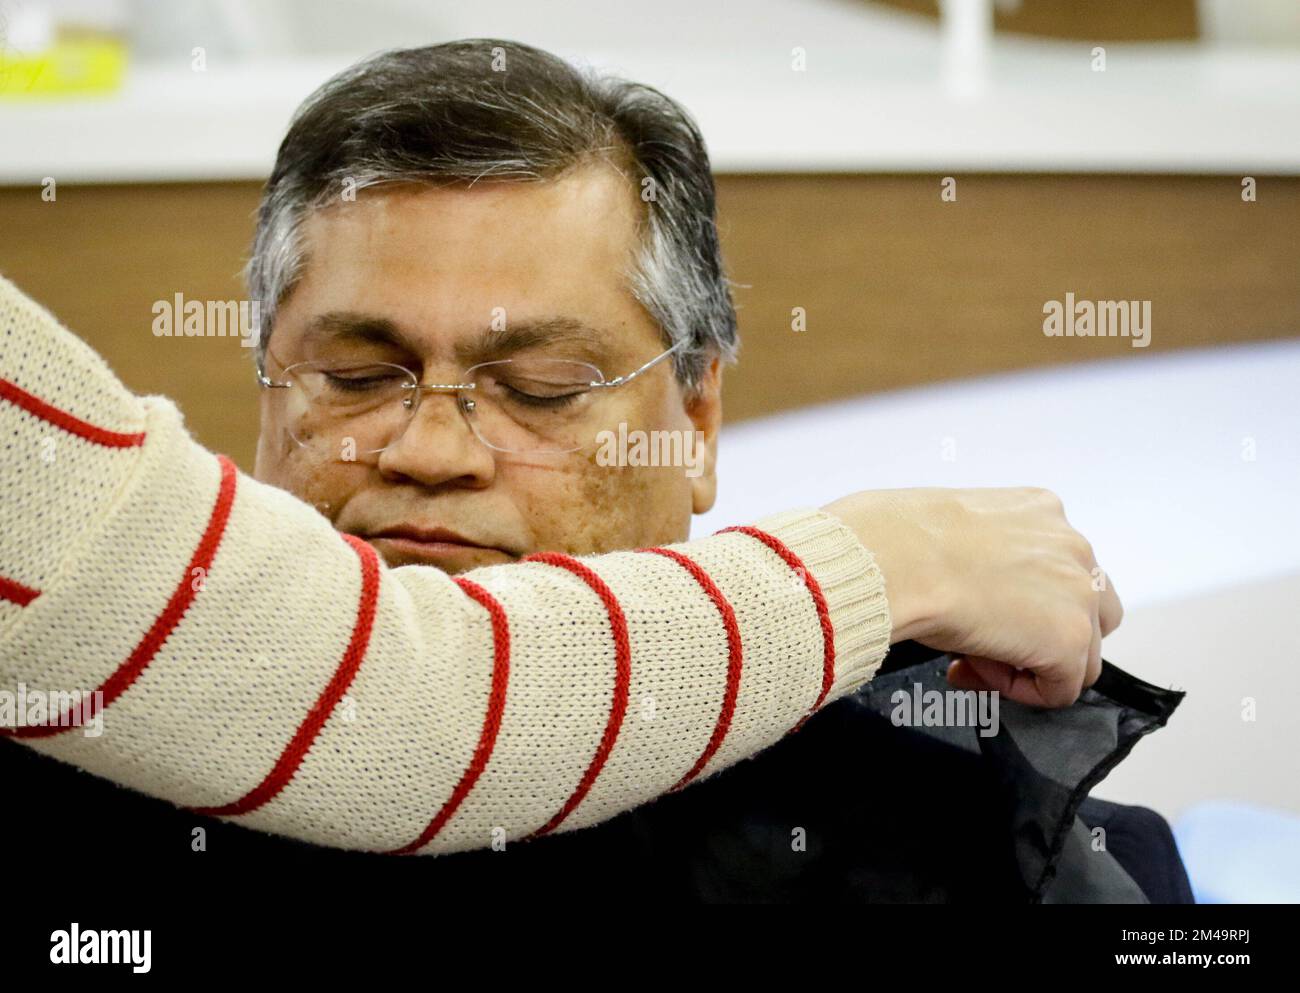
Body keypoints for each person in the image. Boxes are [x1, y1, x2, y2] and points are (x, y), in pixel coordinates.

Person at [0, 41, 1126, 873]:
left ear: (697, 416)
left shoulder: (954, 829)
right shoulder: (73, 727)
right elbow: (411, 700)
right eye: (354, 377)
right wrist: (893, 560)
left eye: (539, 390)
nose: (431, 450)